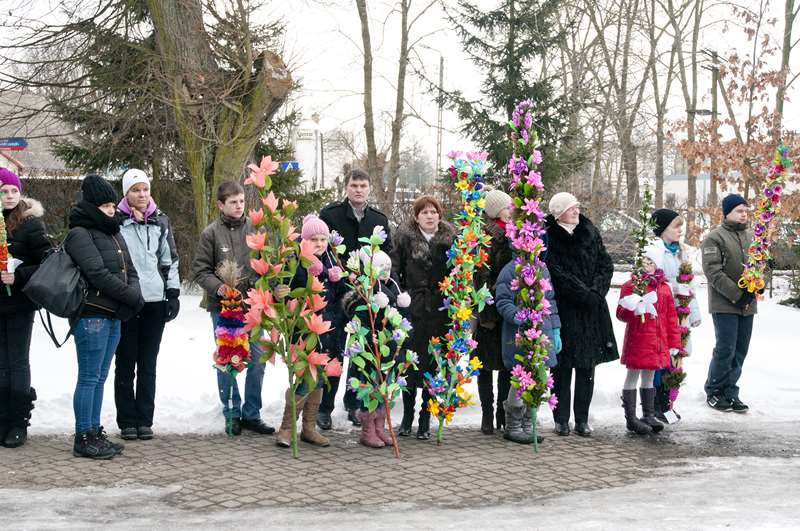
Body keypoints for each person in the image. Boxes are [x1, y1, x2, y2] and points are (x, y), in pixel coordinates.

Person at [64, 175, 144, 459]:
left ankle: (94, 431)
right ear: (91, 206)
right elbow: (96, 273)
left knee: (100, 377)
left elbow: (129, 269)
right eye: (105, 206)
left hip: (113, 315)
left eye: (112, 205)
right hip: (92, 316)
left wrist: (134, 293)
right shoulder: (79, 234)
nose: (111, 210)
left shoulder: (113, 232)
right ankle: (83, 436)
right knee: (88, 377)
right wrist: (130, 296)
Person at [192, 181, 274, 435]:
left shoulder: (256, 229)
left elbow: (268, 264)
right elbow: (200, 270)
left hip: (252, 307)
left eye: (241, 201)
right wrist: (220, 288)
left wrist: (268, 288)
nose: (239, 206)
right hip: (224, 309)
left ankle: (252, 413)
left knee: (258, 359)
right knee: (228, 360)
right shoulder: (211, 234)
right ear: (221, 205)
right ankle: (231, 412)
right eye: (233, 202)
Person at [318, 168, 392, 430]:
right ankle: (324, 407)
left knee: (362, 353)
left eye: (363, 186)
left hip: (366, 296)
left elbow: (387, 256)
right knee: (333, 352)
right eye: (354, 185)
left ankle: (354, 404)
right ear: (346, 188)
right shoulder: (331, 215)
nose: (358, 190)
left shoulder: (378, 219)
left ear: (369, 188)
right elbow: (320, 250)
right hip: (336, 295)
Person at [114, 169, 180, 441]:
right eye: (135, 190)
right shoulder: (116, 221)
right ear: (126, 193)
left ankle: (144, 420)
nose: (141, 195)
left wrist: (172, 292)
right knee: (126, 362)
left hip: (154, 300)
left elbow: (170, 259)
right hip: (127, 299)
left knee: (148, 363)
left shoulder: (160, 220)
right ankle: (127, 420)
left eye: (145, 189)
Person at [544, 192, 618, 437]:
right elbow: (554, 271)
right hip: (565, 309)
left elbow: (605, 265)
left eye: (577, 207)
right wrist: (581, 293)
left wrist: (596, 292)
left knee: (587, 367)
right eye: (571, 208)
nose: (577, 211)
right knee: (562, 368)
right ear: (559, 213)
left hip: (591, 310)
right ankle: (561, 419)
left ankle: (582, 419)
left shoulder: (589, 231)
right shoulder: (549, 236)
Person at [274, 215, 347, 448]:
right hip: (304, 329)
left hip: (329, 330)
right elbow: (284, 289)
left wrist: (342, 282)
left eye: (323, 239)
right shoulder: (296, 262)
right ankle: (286, 428)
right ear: (304, 240)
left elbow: (341, 297)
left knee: (318, 380)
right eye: (314, 239)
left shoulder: (332, 262)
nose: (319, 243)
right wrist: (279, 292)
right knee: (304, 379)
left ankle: (309, 428)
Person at [390, 195, 457, 440]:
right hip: (413, 308)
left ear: (439, 215)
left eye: (433, 212)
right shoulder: (404, 238)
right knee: (410, 363)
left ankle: (426, 417)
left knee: (433, 364)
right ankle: (407, 416)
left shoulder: (451, 239)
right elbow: (394, 270)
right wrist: (401, 296)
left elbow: (459, 271)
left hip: (440, 309)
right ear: (416, 217)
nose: (430, 216)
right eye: (424, 212)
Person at [0, 168, 50, 448]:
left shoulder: (31, 224)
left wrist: (18, 275)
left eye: (14, 191)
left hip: (19, 303)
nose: (9, 196)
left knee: (17, 362)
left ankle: (18, 422)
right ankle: (2, 419)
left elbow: (46, 262)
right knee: (1, 363)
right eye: (4, 191)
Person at [494, 250, 561, 444]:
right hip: (520, 334)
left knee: (539, 378)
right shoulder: (510, 270)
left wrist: (555, 328)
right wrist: (518, 316)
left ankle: (528, 422)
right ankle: (513, 425)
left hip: (542, 333)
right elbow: (503, 301)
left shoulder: (542, 269)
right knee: (521, 380)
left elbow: (550, 300)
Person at [341, 250, 406, 448]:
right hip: (371, 348)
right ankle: (368, 430)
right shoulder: (365, 291)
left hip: (388, 348)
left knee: (384, 388)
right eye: (381, 268)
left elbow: (400, 315)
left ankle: (380, 427)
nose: (385, 272)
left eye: (388, 268)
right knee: (370, 386)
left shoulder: (393, 287)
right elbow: (359, 320)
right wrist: (371, 337)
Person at [616, 244, 681, 435]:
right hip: (639, 340)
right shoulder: (632, 286)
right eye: (644, 260)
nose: (647, 264)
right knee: (633, 375)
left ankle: (648, 414)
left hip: (658, 342)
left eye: (651, 261)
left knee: (649, 377)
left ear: (657, 263)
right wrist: (634, 310)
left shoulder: (664, 288)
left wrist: (674, 343)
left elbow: (671, 318)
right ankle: (631, 418)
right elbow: (621, 313)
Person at [702, 194, 756, 413]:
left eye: (745, 211)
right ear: (727, 213)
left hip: (748, 304)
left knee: (740, 350)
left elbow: (759, 266)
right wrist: (737, 294)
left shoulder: (752, 237)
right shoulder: (714, 238)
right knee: (726, 349)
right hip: (724, 303)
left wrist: (760, 283)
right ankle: (714, 390)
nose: (744, 215)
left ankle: (731, 392)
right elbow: (713, 272)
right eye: (739, 211)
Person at [649, 209, 702, 420]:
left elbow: (688, 284)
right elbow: (652, 282)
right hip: (660, 314)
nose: (680, 230)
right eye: (676, 226)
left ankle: (667, 402)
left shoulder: (681, 252)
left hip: (679, 315)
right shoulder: (654, 252)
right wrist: (672, 290)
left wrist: (694, 312)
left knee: (675, 359)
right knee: (659, 359)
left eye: (681, 226)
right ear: (662, 229)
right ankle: (653, 404)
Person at [474, 189, 515, 434]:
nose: (511, 210)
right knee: (486, 364)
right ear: (495, 211)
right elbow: (479, 273)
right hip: (489, 309)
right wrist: (492, 290)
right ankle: (487, 414)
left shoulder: (515, 234)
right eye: (506, 207)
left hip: (509, 307)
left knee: (507, 363)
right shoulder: (484, 236)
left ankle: (502, 410)